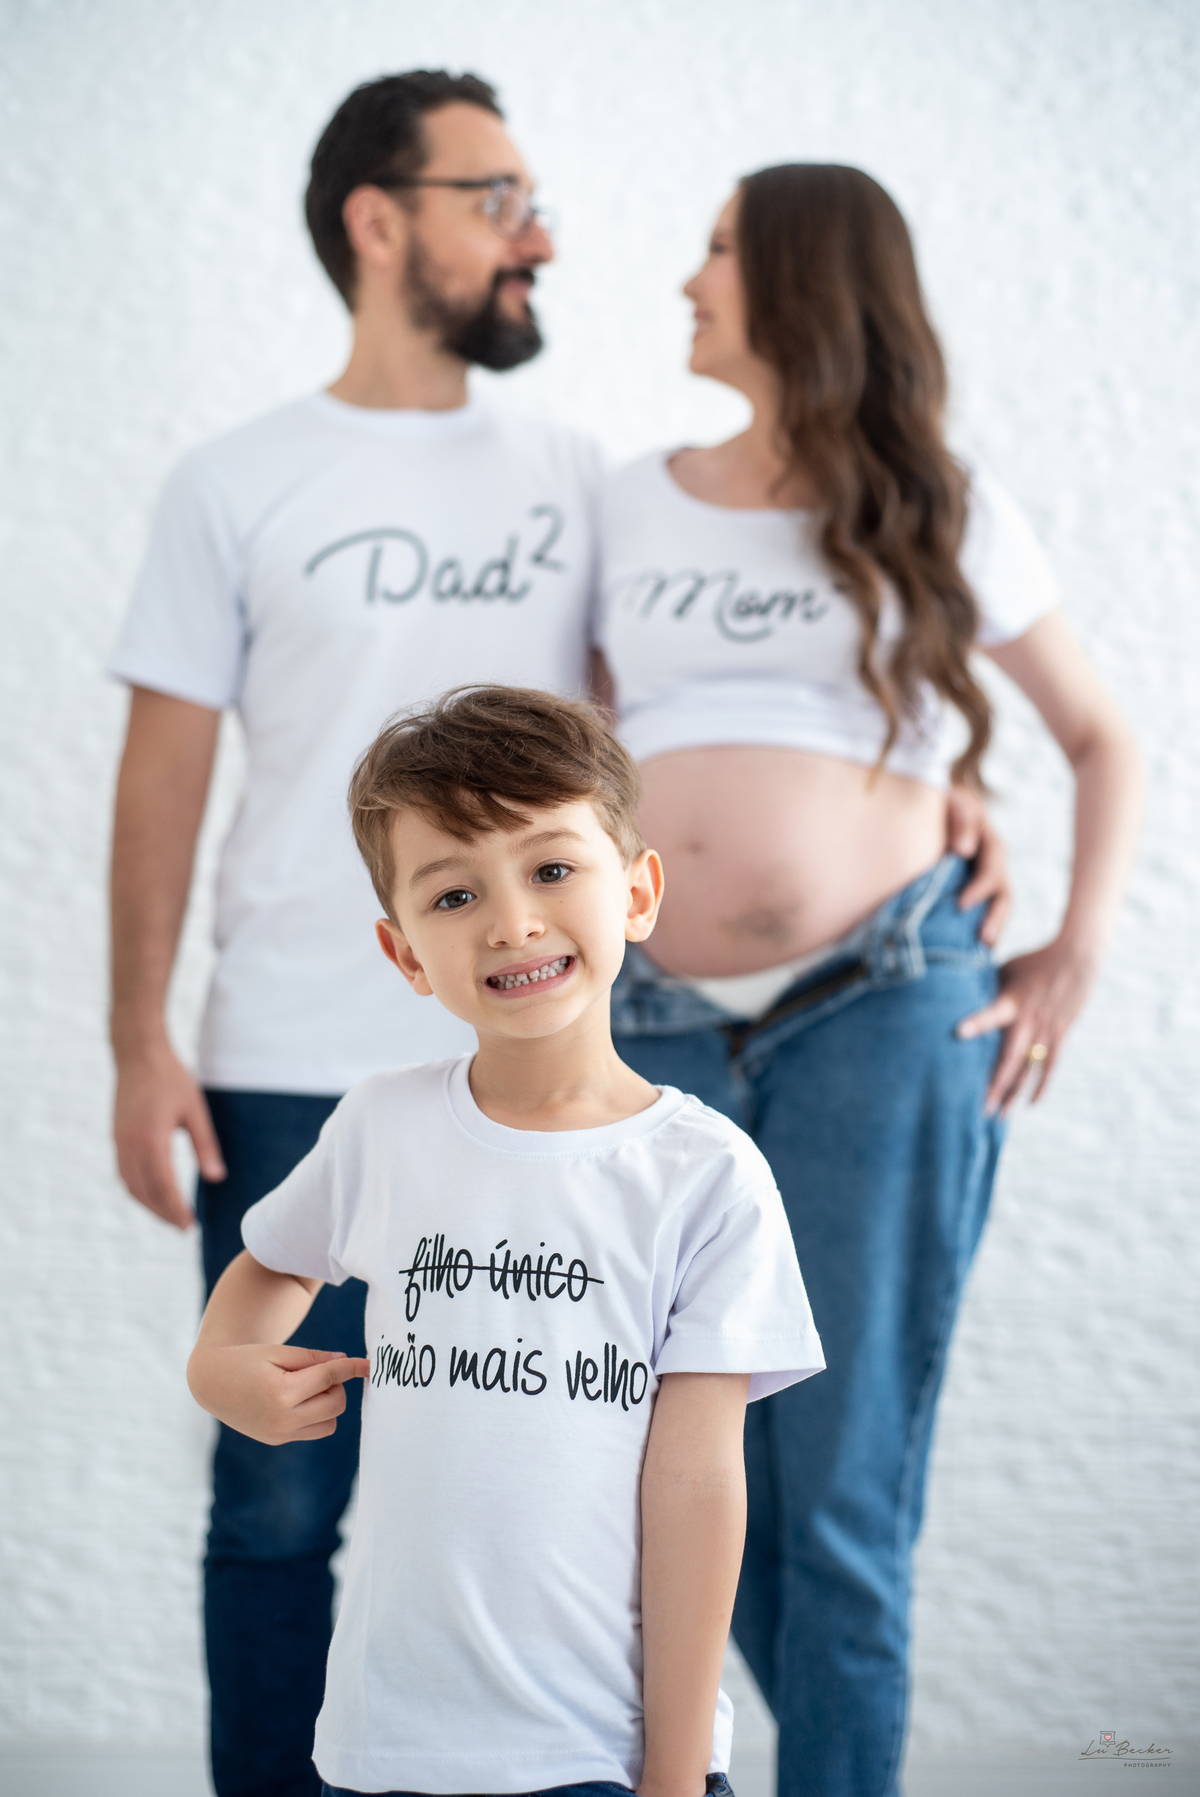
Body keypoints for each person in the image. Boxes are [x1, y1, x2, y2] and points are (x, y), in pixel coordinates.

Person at [593, 165, 1143, 1797]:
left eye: (715, 249)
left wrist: (1074, 947)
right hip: (649, 1022)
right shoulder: (625, 501)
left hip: (884, 1002)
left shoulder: (940, 502)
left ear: (797, 279)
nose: (686, 279)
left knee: (835, 1498)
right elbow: (577, 744)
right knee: (658, 1486)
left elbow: (1101, 734)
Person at [108, 72, 606, 1797]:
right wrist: (138, 1040)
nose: (536, 237)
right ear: (377, 221)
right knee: (276, 1500)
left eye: (533, 198)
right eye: (496, 197)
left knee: (539, 1489)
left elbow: (680, 717)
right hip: (286, 1064)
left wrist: (933, 779)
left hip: (533, 1072)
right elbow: (164, 781)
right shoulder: (233, 483)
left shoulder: (578, 477)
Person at [185, 684, 826, 1797]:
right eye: (455, 893)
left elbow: (698, 1485)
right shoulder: (382, 1126)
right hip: (385, 1748)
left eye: (552, 868)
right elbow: (271, 1264)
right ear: (404, 953)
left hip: (599, 1753)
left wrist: (674, 1776)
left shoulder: (706, 1176)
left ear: (638, 892)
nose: (513, 922)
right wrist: (219, 1368)